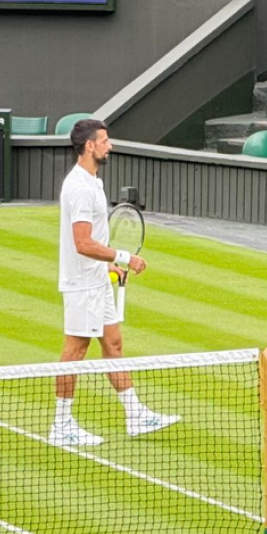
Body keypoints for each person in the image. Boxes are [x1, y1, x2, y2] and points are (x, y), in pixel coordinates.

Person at [51, 119, 180, 447]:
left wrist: (110, 262)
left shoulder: (94, 182)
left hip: (97, 280)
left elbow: (94, 237)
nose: (110, 145)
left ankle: (135, 414)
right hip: (82, 284)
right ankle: (61, 424)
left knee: (113, 343)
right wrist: (123, 257)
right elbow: (81, 242)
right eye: (105, 140)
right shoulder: (79, 188)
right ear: (89, 146)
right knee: (75, 350)